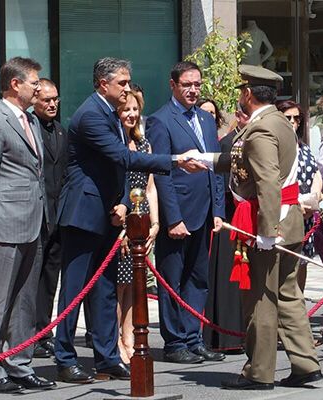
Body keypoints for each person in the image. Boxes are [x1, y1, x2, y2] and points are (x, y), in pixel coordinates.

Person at [54, 57, 204, 384]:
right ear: (102, 84)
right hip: (83, 213)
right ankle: (64, 357)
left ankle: (107, 358)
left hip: (109, 214)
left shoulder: (110, 114)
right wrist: (176, 160)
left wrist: (123, 202)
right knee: (75, 291)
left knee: (106, 289)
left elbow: (121, 170)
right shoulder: (91, 115)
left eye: (127, 82)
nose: (127, 88)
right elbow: (123, 157)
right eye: (121, 83)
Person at [204, 65, 322, 390]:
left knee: (261, 298)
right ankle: (305, 363)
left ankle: (259, 371)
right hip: (288, 217)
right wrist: (204, 159)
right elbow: (243, 160)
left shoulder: (261, 129)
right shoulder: (277, 122)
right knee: (287, 293)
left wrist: (267, 231)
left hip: (271, 220)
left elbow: (268, 179)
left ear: (247, 93)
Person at [0, 57, 54, 393]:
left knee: (24, 301)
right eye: (33, 82)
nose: (39, 87)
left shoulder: (30, 121)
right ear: (15, 84)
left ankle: (19, 364)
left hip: (32, 223)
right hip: (3, 226)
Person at [147, 61, 226, 365]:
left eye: (197, 84)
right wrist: (173, 218)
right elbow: (163, 173)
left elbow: (215, 167)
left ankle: (194, 338)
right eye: (186, 85)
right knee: (172, 278)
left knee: (198, 277)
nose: (193, 90)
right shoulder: (160, 121)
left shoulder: (206, 119)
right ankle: (175, 341)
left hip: (205, 212)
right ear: (173, 85)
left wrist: (218, 209)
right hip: (178, 214)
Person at [115, 89, 159, 363]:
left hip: (141, 221)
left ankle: (130, 334)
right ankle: (117, 338)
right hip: (120, 221)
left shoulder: (145, 145)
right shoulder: (113, 144)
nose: (131, 114)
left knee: (136, 284)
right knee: (120, 286)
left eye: (135, 109)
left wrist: (155, 222)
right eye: (126, 109)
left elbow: (151, 186)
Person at [203, 109, 249, 353]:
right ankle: (227, 336)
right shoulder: (228, 143)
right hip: (232, 216)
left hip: (250, 216)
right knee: (228, 278)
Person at [32, 78, 68, 359]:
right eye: (47, 100)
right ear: (35, 100)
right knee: (32, 276)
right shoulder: (29, 128)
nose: (53, 104)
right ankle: (29, 333)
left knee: (50, 277)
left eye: (55, 99)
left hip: (58, 214)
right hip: (35, 214)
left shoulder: (59, 130)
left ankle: (45, 331)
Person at [276, 100, 322, 292]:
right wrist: (295, 206)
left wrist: (316, 195)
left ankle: (299, 310)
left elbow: (315, 172)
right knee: (285, 266)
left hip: (307, 214)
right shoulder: (274, 144)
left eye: (297, 118)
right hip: (286, 211)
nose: (293, 122)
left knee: (303, 261)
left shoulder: (302, 146)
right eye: (288, 118)